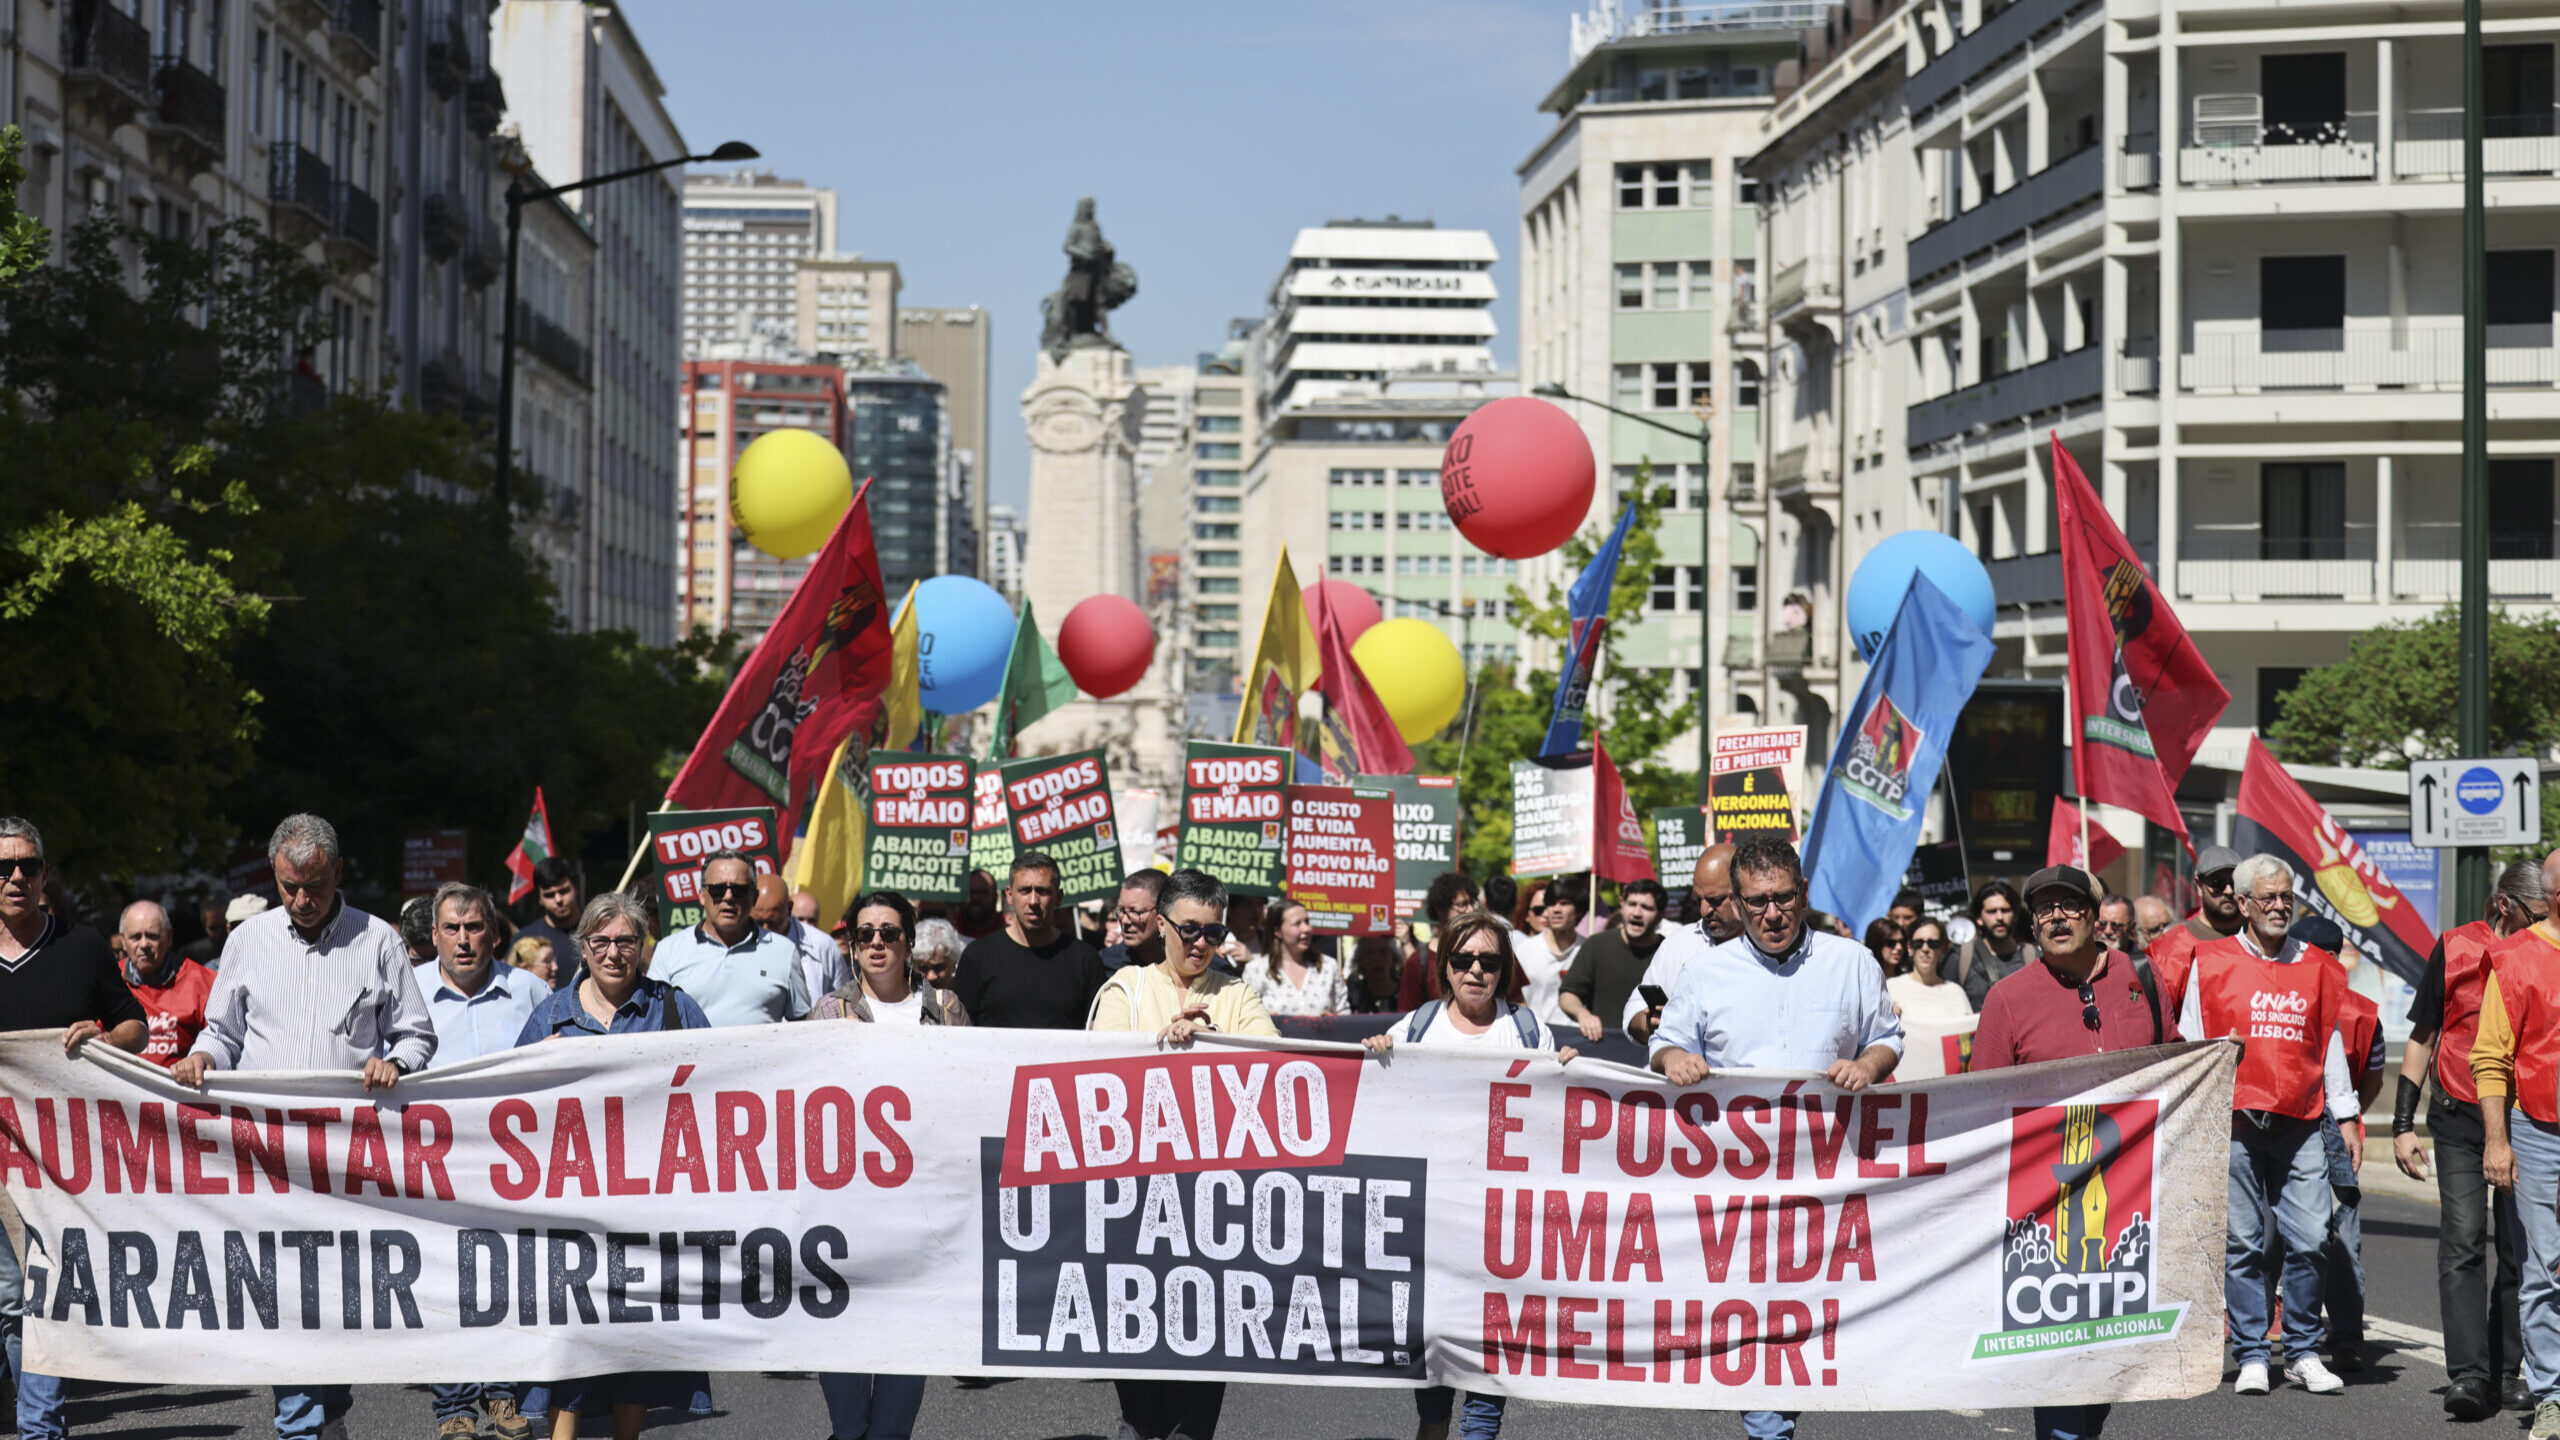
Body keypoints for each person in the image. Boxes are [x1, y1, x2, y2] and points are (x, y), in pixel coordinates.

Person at [170, 813, 437, 1440]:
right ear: (275, 878)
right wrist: (206, 1055)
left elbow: (418, 1035)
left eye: (314, 885)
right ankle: (300, 1427)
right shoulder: (248, 942)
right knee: (288, 1301)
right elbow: (222, 1030)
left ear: (338, 872)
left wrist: (394, 1061)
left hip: (351, 1164)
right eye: (290, 887)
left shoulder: (378, 940)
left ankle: (327, 1418)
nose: (303, 899)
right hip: (270, 1161)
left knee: (338, 1309)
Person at [1648, 835, 1901, 1440]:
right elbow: (1663, 1043)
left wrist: (1868, 1066)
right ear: (1735, 902)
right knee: (1756, 1318)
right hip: (1736, 1190)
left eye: (1784, 899)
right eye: (1757, 902)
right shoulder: (1705, 972)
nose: (1772, 914)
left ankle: (1779, 1418)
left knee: (1813, 1325)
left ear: (1804, 894)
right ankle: (1771, 1428)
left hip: (1830, 1184)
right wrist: (1674, 1056)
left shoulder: (1853, 962)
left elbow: (1887, 1037)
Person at [1968, 865, 2181, 1440]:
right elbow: (1981, 1101)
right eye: (2042, 910)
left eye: (2068, 905)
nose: (2055, 917)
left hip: (2132, 1203)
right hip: (2047, 1207)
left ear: (2095, 915)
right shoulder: (2007, 998)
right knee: (2061, 1368)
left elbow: (2177, 1065)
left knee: (2105, 1371)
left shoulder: (2142, 977)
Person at [1362, 912, 1576, 1440]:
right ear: (1445, 966)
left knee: (1490, 1340)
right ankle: (1432, 1426)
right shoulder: (1412, 1028)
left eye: (1489, 961)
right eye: (1463, 960)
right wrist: (1376, 1060)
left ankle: (1480, 1431)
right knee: (1432, 1337)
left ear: (1504, 970)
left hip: (1500, 1224)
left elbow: (1553, 1122)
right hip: (1428, 1221)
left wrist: (1570, 1074)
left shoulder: (1528, 1031)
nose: (1475, 970)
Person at [1090, 868, 1279, 1440]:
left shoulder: (1238, 994)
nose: (1201, 944)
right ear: (1162, 926)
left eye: (1214, 933)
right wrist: (1160, 1046)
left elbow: (1279, 1068)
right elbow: (1094, 1079)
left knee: (1196, 1413)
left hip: (1213, 1222)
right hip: (1135, 1217)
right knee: (1141, 1411)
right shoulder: (1126, 989)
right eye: (1190, 929)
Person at [516, 894, 711, 1440]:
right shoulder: (551, 1015)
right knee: (571, 1335)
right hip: (569, 1206)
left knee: (634, 1336)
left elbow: (720, 1087)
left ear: (643, 946)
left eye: (626, 941)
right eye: (600, 941)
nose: (613, 953)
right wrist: (535, 1064)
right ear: (582, 946)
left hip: (650, 1204)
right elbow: (507, 1109)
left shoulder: (675, 1010)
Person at [2176, 853, 2355, 1397]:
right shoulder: (2209, 963)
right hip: (2237, 1121)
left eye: (2286, 897)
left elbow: (2329, 1044)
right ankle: (2253, 1352)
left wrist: (2345, 1116)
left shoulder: (2319, 966)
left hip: (2302, 1122)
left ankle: (2301, 1351)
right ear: (2245, 902)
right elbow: (2191, 1044)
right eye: (2269, 898)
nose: (2280, 906)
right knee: (2245, 1242)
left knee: (2311, 1238)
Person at [0, 819, 149, 1440]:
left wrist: (102, 1038)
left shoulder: (83, 946)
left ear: (45, 875)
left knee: (43, 1300)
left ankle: (40, 1429)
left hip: (56, 1162)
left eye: (27, 866)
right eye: (3, 867)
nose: (14, 877)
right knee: (10, 1305)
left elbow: (135, 1027)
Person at [2398, 858, 2547, 1417]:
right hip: (2459, 1114)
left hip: (2524, 1118)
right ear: (2505, 906)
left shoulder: (2546, 952)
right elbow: (2423, 1034)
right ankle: (2467, 1374)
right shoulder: (2456, 947)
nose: (2545, 923)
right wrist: (2403, 1124)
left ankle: (2509, 1369)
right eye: (2537, 913)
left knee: (2518, 1248)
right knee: (2463, 1238)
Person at [414, 882, 542, 1440]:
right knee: (447, 1285)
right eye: (452, 929)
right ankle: (454, 1409)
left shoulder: (531, 991)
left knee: (507, 1282)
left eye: (474, 928)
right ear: (434, 934)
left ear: (493, 932)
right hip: (433, 1166)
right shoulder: (406, 993)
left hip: (514, 1169)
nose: (463, 941)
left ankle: (503, 1395)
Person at [2473, 848, 2560, 1440]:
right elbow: (2490, 1059)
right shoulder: (2515, 960)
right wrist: (2497, 1142)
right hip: (2538, 1132)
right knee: (2546, 1268)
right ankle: (2552, 1395)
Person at [2287, 912, 2384, 1376]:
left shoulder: (2285, 994)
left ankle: (2272, 1331)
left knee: (2274, 1232)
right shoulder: (2364, 1008)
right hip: (2343, 1132)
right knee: (2343, 1237)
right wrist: (2352, 1116)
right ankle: (2347, 1339)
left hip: (2298, 1123)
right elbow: (2374, 1076)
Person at [647, 852, 811, 1028]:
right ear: (702, 895)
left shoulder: (784, 952)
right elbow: (651, 1023)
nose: (728, 897)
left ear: (754, 897)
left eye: (739, 890)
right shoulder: (669, 951)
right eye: (717, 889)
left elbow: (803, 1028)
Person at [954, 851, 1109, 1029]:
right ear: (1009, 895)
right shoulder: (977, 957)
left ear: (1059, 897)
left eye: (1042, 891)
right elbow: (959, 1032)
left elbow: (1098, 1034)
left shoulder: (1085, 960)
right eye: (1025, 891)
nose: (1033, 901)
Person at [1625, 842, 1743, 1043]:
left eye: (1715, 900)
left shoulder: (1767, 946)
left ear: (1742, 891)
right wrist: (1649, 1023)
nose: (1705, 910)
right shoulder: (1678, 944)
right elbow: (1634, 1009)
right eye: (1699, 900)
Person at [811, 890, 968, 1026]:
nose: (876, 942)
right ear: (854, 948)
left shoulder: (945, 1007)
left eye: (889, 933)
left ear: (908, 946)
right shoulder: (831, 1011)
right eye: (865, 934)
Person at [1560, 877, 1669, 1043]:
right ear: (1622, 904)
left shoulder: (1668, 951)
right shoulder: (1597, 944)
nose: (1637, 913)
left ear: (1661, 915)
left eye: (1646, 908)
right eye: (1632, 904)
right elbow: (1568, 994)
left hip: (1651, 1054)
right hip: (1604, 1049)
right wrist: (1583, 1015)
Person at [2148, 844, 2245, 1016]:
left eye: (2234, 883)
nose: (2229, 891)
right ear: (2199, 886)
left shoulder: (2260, 937)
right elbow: (2159, 1014)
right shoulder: (2172, 946)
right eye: (2217, 884)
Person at [118, 899, 217, 1066]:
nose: (144, 944)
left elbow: (219, 1040)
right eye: (135, 937)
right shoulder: (105, 981)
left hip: (181, 1088)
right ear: (123, 941)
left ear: (169, 937)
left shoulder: (203, 982)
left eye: (152, 936)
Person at [753, 872, 849, 1006]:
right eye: (758, 923)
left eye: (773, 922)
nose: (766, 930)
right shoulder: (734, 942)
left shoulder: (822, 946)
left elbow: (843, 1006)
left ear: (789, 909)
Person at [1395, 872, 1484, 1009]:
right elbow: (1408, 1017)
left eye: (1472, 903)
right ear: (1440, 909)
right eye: (1462, 904)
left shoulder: (1492, 948)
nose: (1471, 910)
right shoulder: (1419, 962)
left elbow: (1517, 1003)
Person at [1245, 899, 1347, 1017]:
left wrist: (1335, 1021)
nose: (1306, 929)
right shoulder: (1256, 970)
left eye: (1307, 922)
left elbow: (1344, 1014)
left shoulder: (1329, 967)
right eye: (1297, 924)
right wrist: (1264, 1019)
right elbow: (1246, 1017)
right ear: (1277, 931)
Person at [1951, 880, 2037, 1011]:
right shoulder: (1960, 959)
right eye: (1992, 911)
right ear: (1979, 918)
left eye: (2005, 910)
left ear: (2015, 915)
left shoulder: (2034, 957)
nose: (1999, 917)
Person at [1511, 877, 1583, 1024]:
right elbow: (1513, 998)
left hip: (1579, 1040)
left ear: (1579, 910)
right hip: (1536, 1038)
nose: (1556, 910)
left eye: (1564, 903)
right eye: (1550, 904)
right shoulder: (1524, 950)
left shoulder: (1589, 950)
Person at [516, 856, 584, 990]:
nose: (558, 899)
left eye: (564, 891)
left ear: (575, 888)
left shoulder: (596, 932)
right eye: (549, 895)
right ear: (540, 899)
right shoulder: (525, 940)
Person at [1887, 916, 1970, 1024]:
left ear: (1942, 948)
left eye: (1933, 944)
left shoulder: (1956, 992)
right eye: (1918, 943)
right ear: (1909, 947)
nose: (1925, 949)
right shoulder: (1891, 988)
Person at [1099, 869, 1170, 971]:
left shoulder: (1186, 958)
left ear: (1162, 912)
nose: (1125, 921)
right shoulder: (1104, 964)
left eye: (1135, 912)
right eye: (1121, 911)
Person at [1346, 935, 1404, 1014]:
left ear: (1393, 958)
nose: (1377, 959)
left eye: (1383, 952)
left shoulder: (1405, 992)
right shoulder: (1353, 995)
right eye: (1370, 953)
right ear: (1361, 959)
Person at [910, 916, 965, 992]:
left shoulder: (968, 998)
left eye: (938, 967)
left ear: (953, 964)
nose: (931, 977)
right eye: (923, 968)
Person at [953, 867, 1004, 939]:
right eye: (970, 892)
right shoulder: (952, 928)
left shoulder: (1009, 930)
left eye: (982, 892)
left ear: (995, 897)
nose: (975, 897)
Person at [179, 894, 229, 967]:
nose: (220, 933)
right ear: (204, 928)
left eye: (225, 926)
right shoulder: (192, 957)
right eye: (213, 929)